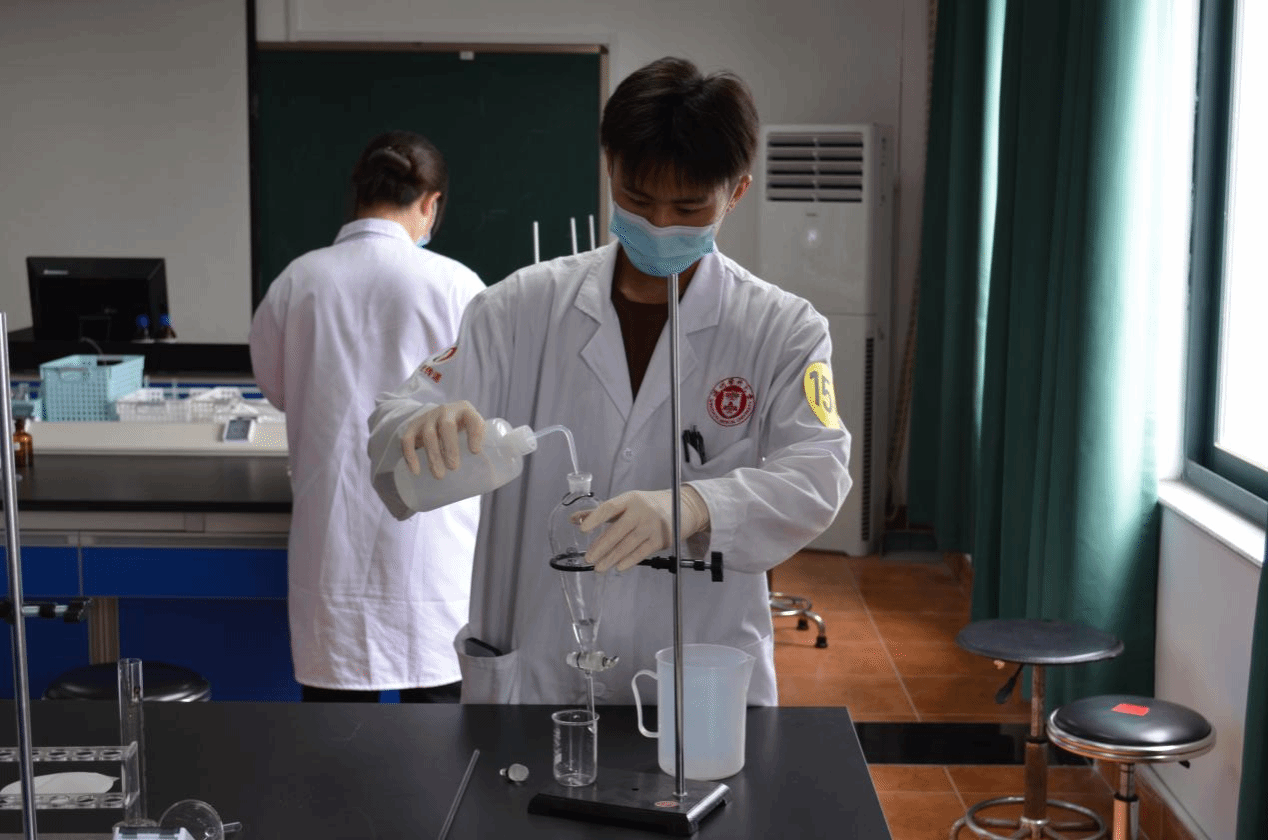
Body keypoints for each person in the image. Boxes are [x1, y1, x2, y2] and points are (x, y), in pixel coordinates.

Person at [367, 58, 852, 706]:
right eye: (638, 199)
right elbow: (394, 421)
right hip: (539, 671)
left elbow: (818, 475)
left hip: (697, 679)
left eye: (688, 207)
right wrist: (418, 426)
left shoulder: (781, 329)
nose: (659, 224)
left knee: (706, 772)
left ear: (735, 192)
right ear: (610, 169)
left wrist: (697, 506)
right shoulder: (518, 307)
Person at [251, 130, 484, 703]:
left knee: (336, 734)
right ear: (430, 202)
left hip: (335, 546)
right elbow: (485, 405)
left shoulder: (298, 281)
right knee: (439, 733)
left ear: (359, 192)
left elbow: (277, 390)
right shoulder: (457, 285)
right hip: (431, 553)